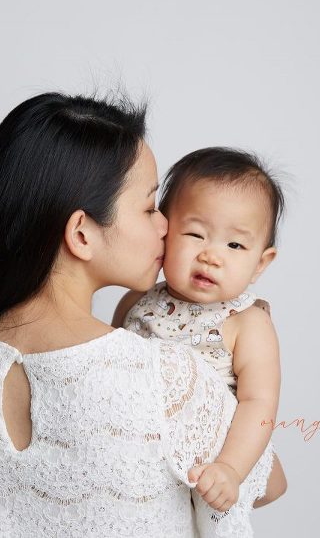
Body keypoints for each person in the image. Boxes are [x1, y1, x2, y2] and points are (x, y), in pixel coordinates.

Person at [0, 92, 287, 538]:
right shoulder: (166, 378)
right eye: (151, 207)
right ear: (81, 233)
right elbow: (269, 483)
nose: (165, 227)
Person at [112, 147, 285, 513]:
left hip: (202, 467)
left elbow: (260, 404)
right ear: (165, 231)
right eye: (195, 234)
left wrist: (230, 469)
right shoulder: (136, 302)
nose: (211, 255)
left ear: (260, 263)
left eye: (235, 244)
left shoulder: (247, 323)